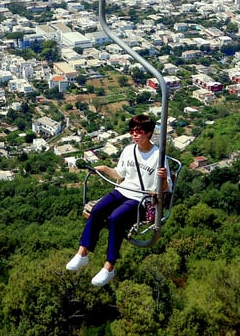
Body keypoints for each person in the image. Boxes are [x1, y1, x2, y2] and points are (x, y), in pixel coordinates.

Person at [66, 114, 168, 287]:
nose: (135, 135)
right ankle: (82, 253)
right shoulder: (129, 150)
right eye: (132, 131)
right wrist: (105, 168)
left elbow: (164, 189)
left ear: (149, 133)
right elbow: (120, 175)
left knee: (115, 219)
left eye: (139, 131)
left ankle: (109, 266)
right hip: (123, 190)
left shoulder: (158, 156)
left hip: (140, 199)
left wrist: (163, 178)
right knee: (97, 210)